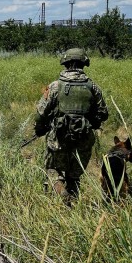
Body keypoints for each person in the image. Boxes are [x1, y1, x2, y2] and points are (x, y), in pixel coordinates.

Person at [34, 48, 109, 204]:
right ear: (83, 64)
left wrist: (40, 128)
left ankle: (63, 196)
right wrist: (89, 121)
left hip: (59, 139)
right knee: (74, 177)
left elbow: (40, 112)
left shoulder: (55, 86)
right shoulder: (92, 87)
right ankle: (71, 207)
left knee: (54, 172)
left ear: (66, 63)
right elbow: (103, 113)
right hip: (83, 138)